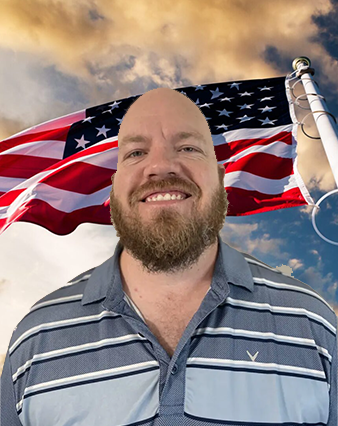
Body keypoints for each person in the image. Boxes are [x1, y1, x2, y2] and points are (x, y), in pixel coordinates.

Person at [0, 87, 337, 425]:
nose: (161, 166)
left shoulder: (315, 326)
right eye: (135, 153)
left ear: (221, 180)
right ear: (113, 187)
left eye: (188, 148)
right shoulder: (36, 337)